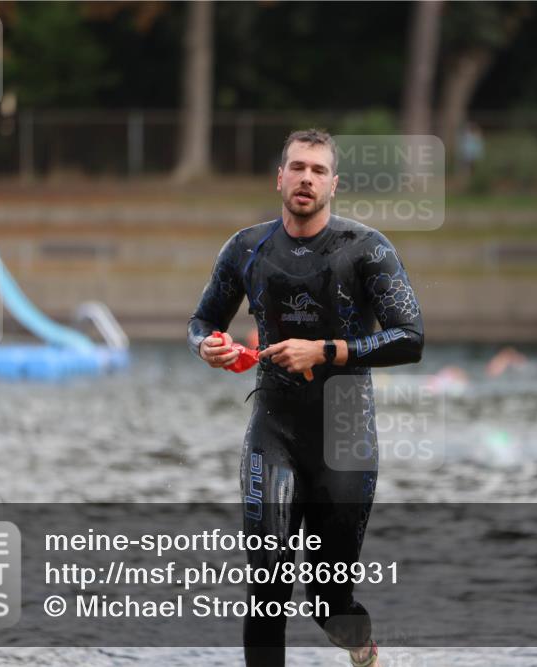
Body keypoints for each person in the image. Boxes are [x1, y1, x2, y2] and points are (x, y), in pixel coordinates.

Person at [188, 129, 424, 667]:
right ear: (280, 177)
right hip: (273, 429)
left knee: (327, 601)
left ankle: (362, 651)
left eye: (318, 171)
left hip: (345, 439)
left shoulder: (367, 249)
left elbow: (410, 338)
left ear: (333, 184)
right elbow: (203, 319)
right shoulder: (247, 249)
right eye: (297, 168)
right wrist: (208, 345)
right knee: (267, 586)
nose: (306, 179)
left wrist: (327, 350)